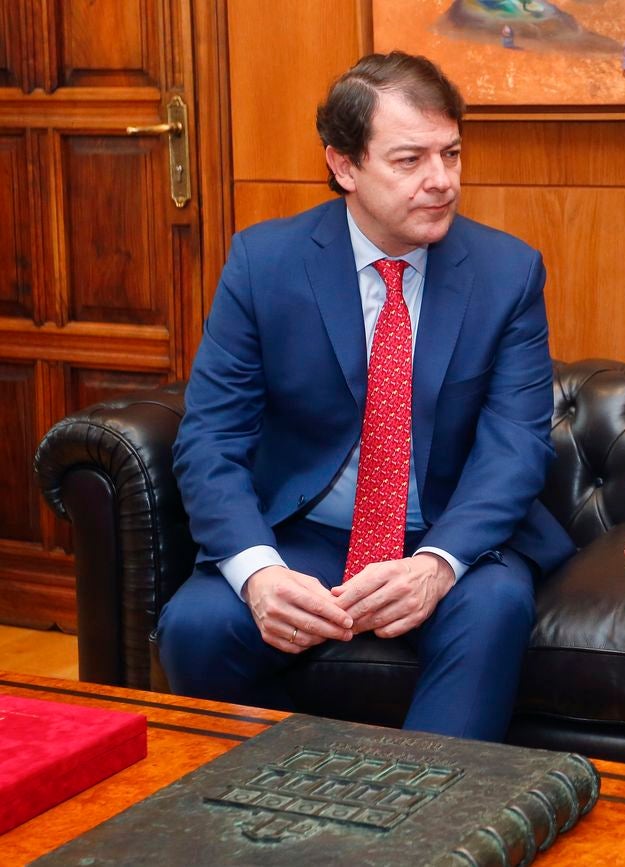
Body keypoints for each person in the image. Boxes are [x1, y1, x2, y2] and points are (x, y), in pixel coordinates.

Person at [158, 51, 575, 741]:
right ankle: (256, 820)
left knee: (494, 605)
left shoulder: (507, 273)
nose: (441, 181)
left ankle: (425, 827)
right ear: (344, 165)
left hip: (446, 533)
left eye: (452, 153)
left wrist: (436, 564)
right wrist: (260, 573)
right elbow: (209, 441)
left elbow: (515, 449)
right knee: (198, 623)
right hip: (311, 535)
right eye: (410, 160)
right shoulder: (264, 265)